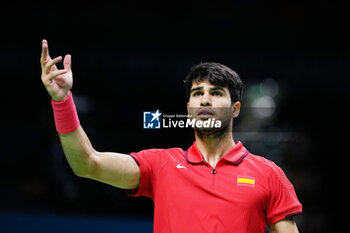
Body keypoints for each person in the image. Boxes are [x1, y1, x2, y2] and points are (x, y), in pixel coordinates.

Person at [40, 39, 302, 233]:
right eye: (198, 93)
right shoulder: (161, 165)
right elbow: (87, 163)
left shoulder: (268, 175)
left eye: (217, 93)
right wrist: (62, 101)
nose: (205, 100)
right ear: (189, 108)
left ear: (235, 109)